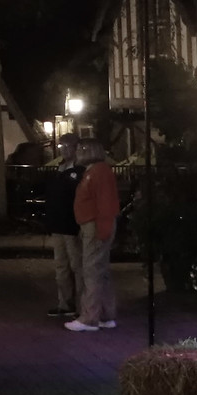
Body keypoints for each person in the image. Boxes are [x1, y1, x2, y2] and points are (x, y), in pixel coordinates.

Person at [66, 139, 119, 332]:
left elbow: (105, 203)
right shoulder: (96, 171)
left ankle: (89, 318)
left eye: (82, 148)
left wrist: (102, 229)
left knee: (91, 270)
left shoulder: (98, 172)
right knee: (100, 270)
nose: (78, 152)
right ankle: (105, 314)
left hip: (95, 225)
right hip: (94, 224)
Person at [43, 133, 84, 320]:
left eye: (68, 146)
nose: (64, 150)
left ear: (76, 148)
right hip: (59, 223)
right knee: (61, 266)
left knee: (76, 265)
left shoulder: (80, 170)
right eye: (62, 147)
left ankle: (81, 305)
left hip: (71, 223)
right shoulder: (60, 168)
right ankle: (65, 303)